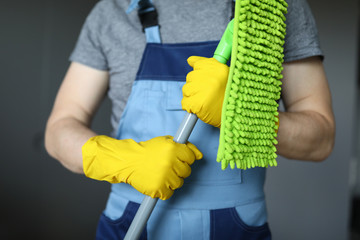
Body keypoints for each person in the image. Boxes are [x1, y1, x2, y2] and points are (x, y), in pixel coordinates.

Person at [44, 0, 335, 239]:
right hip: (129, 225)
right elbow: (60, 128)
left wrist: (243, 116)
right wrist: (119, 159)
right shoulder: (111, 12)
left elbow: (321, 139)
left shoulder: (270, 9)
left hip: (238, 230)